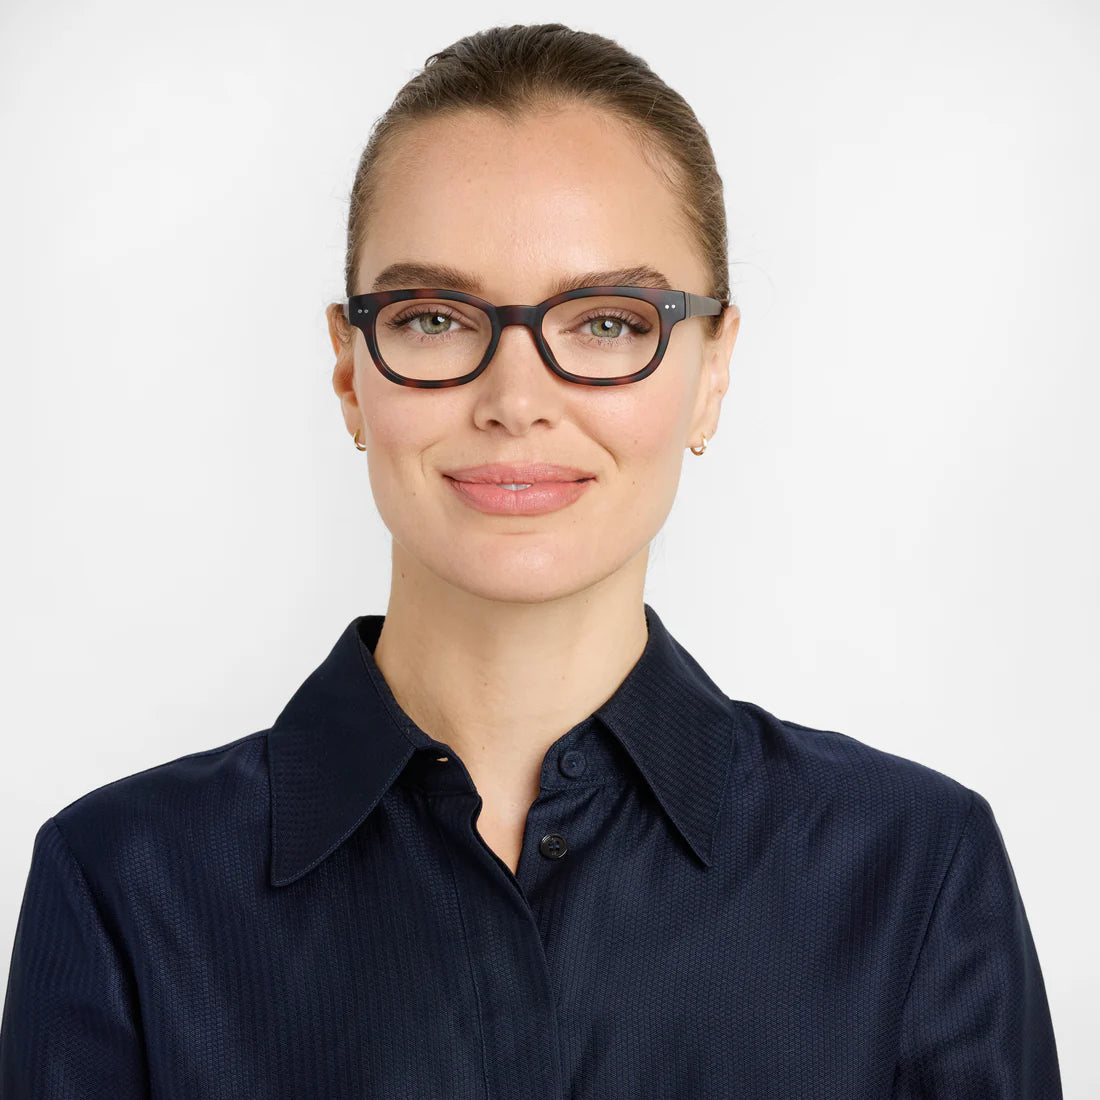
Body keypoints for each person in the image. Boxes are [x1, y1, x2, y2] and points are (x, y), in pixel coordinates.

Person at [0, 22, 1061, 1099]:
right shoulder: (122, 884)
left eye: (607, 322)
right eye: (432, 317)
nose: (515, 399)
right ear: (350, 369)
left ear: (710, 371)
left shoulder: (914, 871)